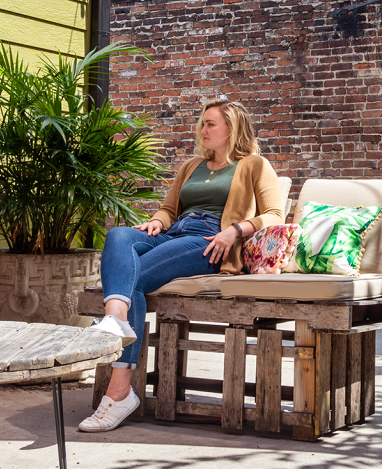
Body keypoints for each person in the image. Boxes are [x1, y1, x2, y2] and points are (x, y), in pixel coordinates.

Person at [79, 99, 284, 432]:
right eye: (203, 123)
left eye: (210, 124)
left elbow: (275, 215)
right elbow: (168, 210)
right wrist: (157, 222)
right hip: (175, 233)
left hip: (209, 242)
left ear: (231, 129)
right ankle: (115, 320)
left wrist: (233, 231)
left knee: (132, 279)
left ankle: (118, 392)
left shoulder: (255, 166)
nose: (202, 129)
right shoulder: (191, 166)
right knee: (119, 235)